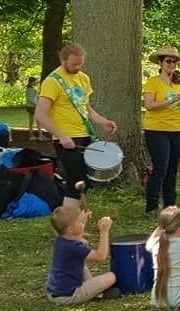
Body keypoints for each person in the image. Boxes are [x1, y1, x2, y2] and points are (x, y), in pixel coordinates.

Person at [35, 42, 118, 208]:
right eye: (74, 64)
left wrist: (103, 121)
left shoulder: (83, 78)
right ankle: (68, 222)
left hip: (84, 134)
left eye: (81, 63)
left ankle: (76, 220)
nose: (77, 67)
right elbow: (40, 115)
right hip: (65, 137)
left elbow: (86, 108)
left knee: (84, 180)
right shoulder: (52, 82)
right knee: (76, 179)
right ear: (63, 60)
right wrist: (61, 136)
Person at [142, 46, 180, 215]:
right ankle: (152, 205)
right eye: (168, 61)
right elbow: (149, 105)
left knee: (172, 169)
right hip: (156, 130)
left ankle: (170, 206)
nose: (172, 64)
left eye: (174, 61)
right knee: (160, 168)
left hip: (178, 129)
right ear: (161, 63)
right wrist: (167, 102)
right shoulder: (153, 82)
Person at [46, 205, 120, 304]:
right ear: (71, 229)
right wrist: (104, 231)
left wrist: (82, 218)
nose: (83, 224)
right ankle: (98, 295)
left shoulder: (61, 240)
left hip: (55, 292)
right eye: (81, 222)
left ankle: (95, 292)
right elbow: (101, 256)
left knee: (82, 267)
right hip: (69, 295)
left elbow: (77, 236)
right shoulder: (74, 247)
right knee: (111, 277)